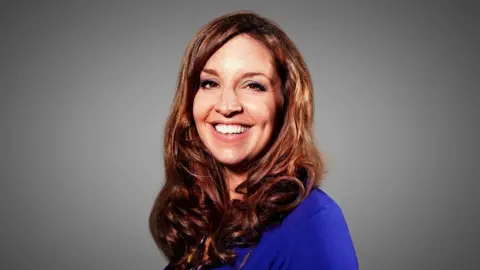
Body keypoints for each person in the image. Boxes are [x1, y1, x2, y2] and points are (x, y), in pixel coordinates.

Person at [149, 10, 358, 270]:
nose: (227, 106)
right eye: (210, 83)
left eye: (253, 85)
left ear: (286, 102)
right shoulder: (206, 214)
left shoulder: (314, 223)